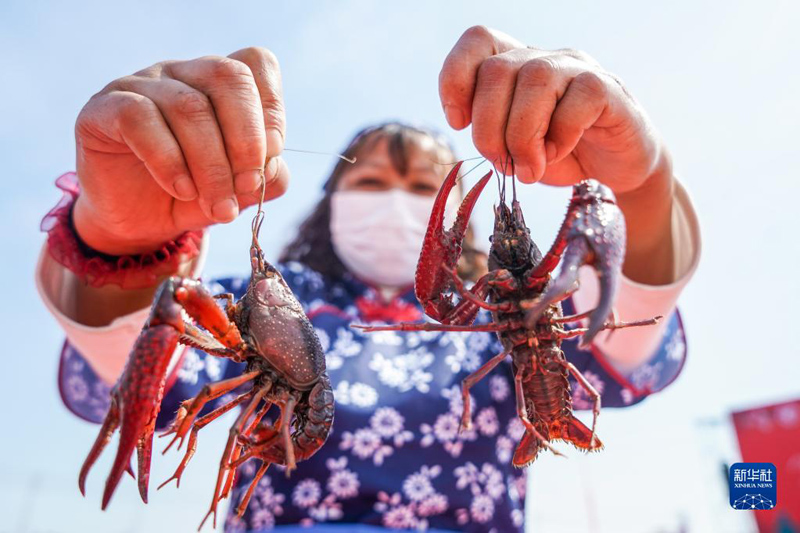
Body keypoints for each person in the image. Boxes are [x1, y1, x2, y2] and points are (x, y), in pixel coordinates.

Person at [36, 27, 700, 532]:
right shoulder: (265, 295)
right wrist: (125, 248)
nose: (395, 201)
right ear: (330, 203)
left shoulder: (489, 314)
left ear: (452, 223)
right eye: (372, 181)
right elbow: (138, 371)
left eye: (421, 186)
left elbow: (621, 331)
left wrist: (639, 190)